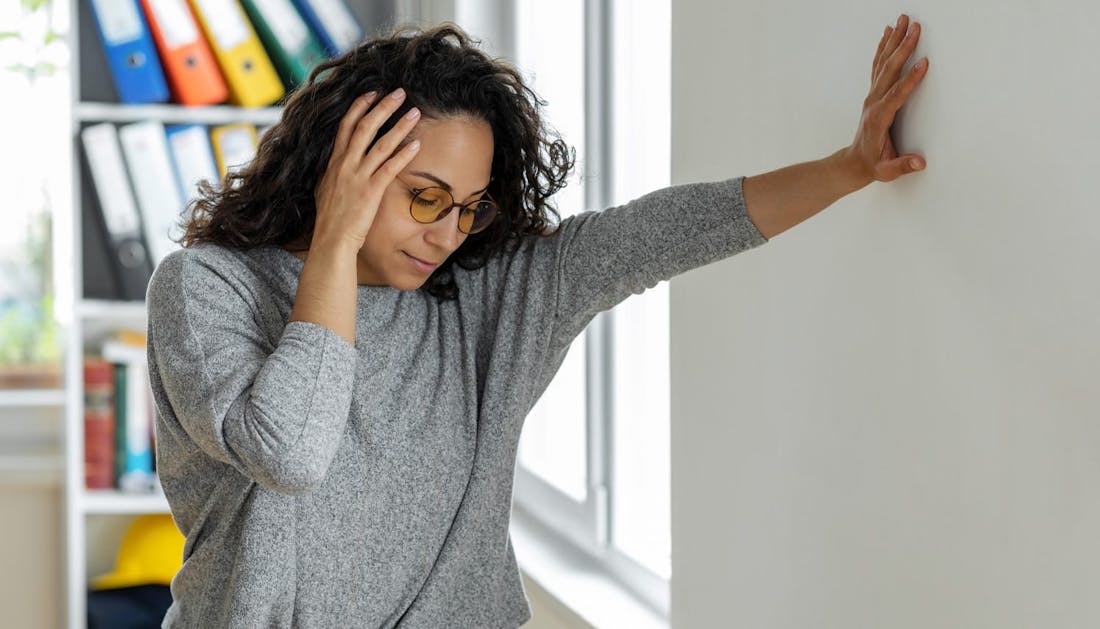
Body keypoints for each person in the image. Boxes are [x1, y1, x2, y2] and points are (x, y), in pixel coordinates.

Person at [145, 15, 927, 628]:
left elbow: (658, 231)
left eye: (468, 206)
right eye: (424, 196)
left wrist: (848, 167)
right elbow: (289, 450)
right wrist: (338, 238)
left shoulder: (485, 294)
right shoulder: (206, 289)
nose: (448, 233)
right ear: (342, 168)